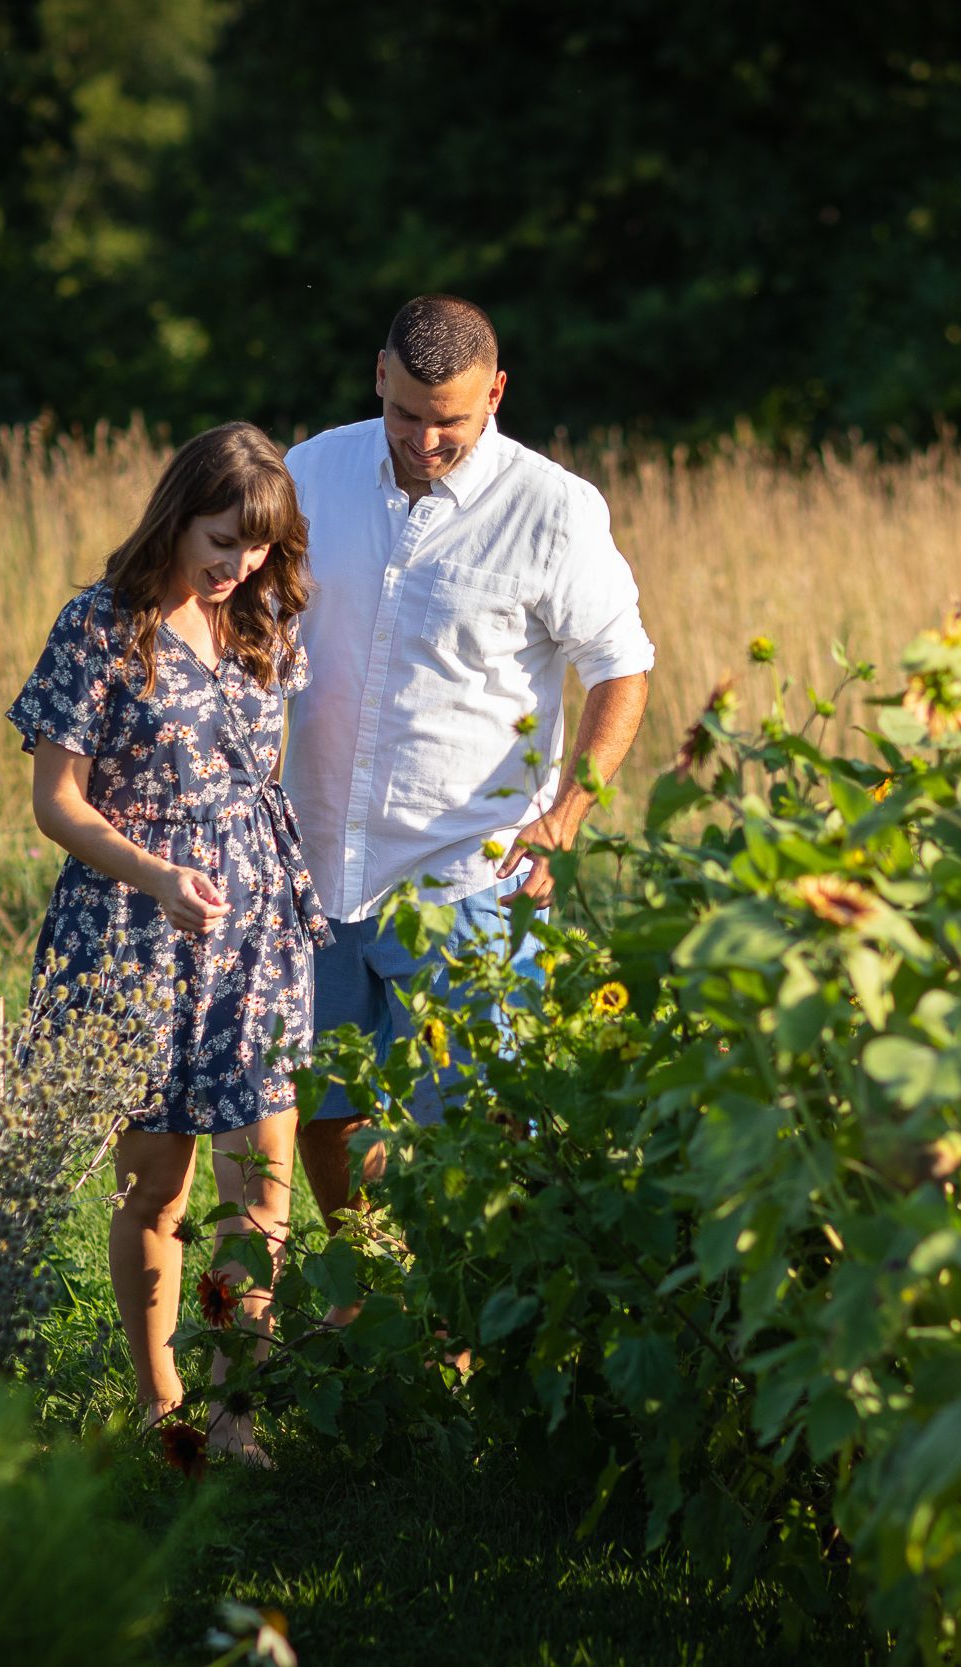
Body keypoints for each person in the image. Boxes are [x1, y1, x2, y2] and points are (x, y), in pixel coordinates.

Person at [284, 294, 653, 1233]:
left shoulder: (555, 509)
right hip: (315, 861)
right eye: (406, 412)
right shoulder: (311, 473)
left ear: (496, 392)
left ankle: (463, 1335)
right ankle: (359, 1295)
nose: (425, 438)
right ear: (379, 376)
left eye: (450, 418)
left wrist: (569, 810)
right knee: (326, 1105)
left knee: (483, 1120)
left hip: (470, 871)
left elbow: (622, 667)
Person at [7, 421, 327, 1466]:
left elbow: (263, 778)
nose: (238, 563)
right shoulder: (102, 624)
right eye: (222, 537)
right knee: (156, 1180)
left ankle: (237, 1413)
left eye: (260, 546)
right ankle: (163, 1404)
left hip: (254, 933)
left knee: (263, 1185)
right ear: (177, 514)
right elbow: (57, 802)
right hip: (136, 929)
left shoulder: (267, 623)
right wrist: (152, 872)